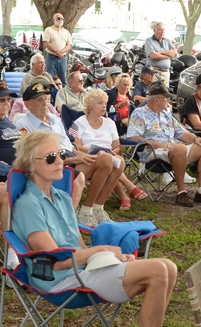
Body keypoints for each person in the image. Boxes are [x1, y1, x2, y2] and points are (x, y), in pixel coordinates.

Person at [14, 129, 196, 327]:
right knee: (157, 270)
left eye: (62, 155)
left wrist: (106, 256)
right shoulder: (28, 205)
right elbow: (55, 261)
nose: (61, 162)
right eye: (51, 157)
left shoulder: (62, 197)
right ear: (31, 165)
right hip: (59, 281)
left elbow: (79, 246)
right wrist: (102, 250)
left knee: (169, 266)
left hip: (83, 270)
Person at [15, 82, 123, 226]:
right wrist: (72, 159)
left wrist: (80, 155)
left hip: (71, 157)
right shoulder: (24, 125)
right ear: (27, 105)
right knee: (105, 159)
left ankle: (96, 208)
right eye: (39, 100)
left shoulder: (54, 119)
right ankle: (85, 211)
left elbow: (69, 145)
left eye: (46, 99)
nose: (45, 103)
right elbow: (34, 159)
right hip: (54, 164)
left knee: (116, 162)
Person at [126, 82, 201, 208]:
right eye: (166, 98)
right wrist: (157, 144)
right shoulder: (139, 113)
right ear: (157, 100)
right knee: (179, 148)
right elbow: (133, 137)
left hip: (173, 149)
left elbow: (181, 133)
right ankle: (181, 192)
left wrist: (196, 139)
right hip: (150, 151)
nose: (169, 100)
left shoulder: (166, 114)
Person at [72, 88, 148, 211]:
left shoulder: (110, 123)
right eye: (100, 103)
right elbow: (76, 146)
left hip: (109, 157)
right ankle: (128, 188)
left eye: (105, 103)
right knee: (110, 160)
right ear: (90, 106)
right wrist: (97, 150)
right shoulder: (77, 123)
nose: (104, 106)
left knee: (116, 161)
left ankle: (98, 207)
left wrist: (113, 151)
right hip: (88, 159)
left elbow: (117, 146)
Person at [144, 23, 178, 87]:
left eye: (163, 30)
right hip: (153, 72)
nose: (162, 32)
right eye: (160, 29)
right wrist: (168, 55)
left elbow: (175, 53)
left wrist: (160, 52)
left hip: (165, 73)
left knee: (164, 93)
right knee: (153, 92)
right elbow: (153, 56)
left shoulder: (167, 41)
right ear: (154, 30)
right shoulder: (149, 41)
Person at [41, 12, 72, 82]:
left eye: (62, 19)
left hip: (63, 59)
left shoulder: (66, 32)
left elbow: (69, 45)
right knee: (48, 79)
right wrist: (57, 52)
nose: (60, 20)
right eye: (58, 18)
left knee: (63, 80)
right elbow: (46, 43)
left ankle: (62, 92)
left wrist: (61, 52)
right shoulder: (48, 30)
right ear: (53, 20)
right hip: (51, 58)